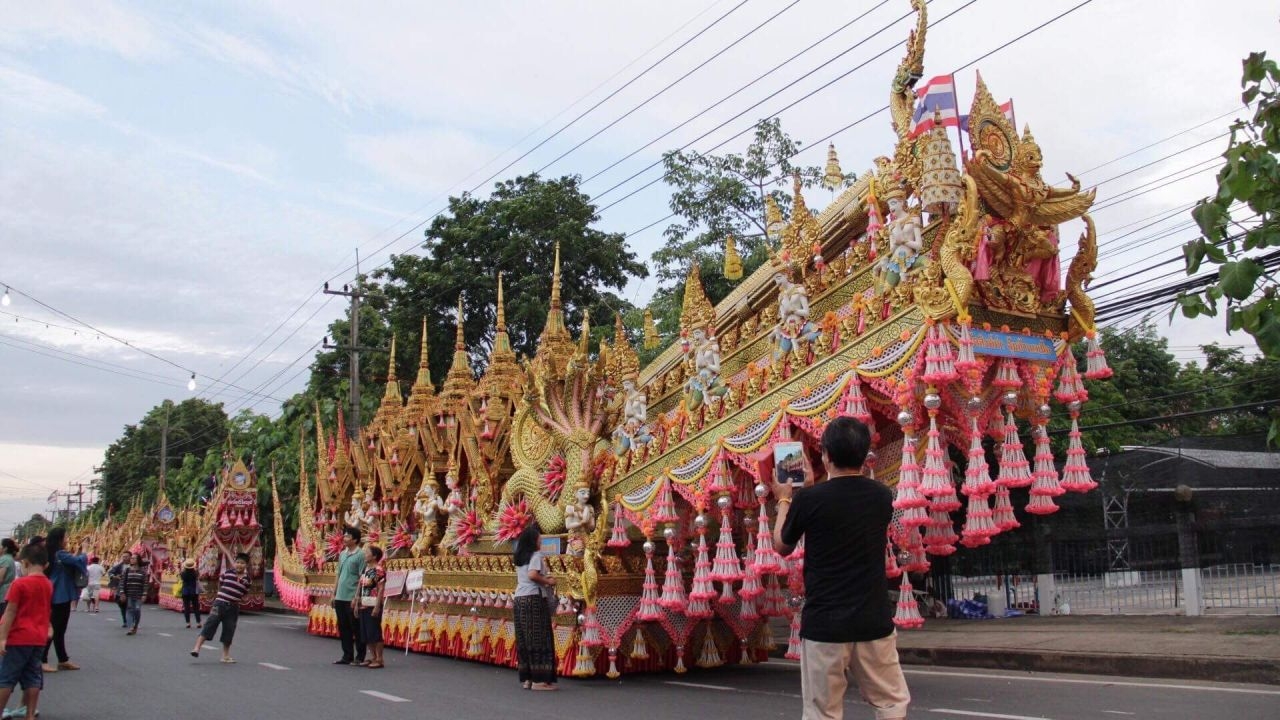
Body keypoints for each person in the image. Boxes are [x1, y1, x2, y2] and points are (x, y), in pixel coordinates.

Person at [773, 416, 911, 720]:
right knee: (891, 704)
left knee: (823, 712)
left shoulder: (808, 500)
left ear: (825, 455)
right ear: (864, 454)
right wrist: (809, 493)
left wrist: (785, 499)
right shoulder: (881, 496)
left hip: (825, 625)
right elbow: (842, 507)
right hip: (873, 620)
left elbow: (782, 545)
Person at [0, 545, 52, 720]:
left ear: (25, 563)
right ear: (46, 565)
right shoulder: (48, 584)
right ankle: (29, 714)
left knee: (6, 677)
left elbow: (10, 612)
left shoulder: (19, 583)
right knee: (33, 677)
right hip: (38, 637)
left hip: (18, 637)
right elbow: (46, 609)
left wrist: (2, 638)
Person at [511, 524, 557, 691]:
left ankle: (528, 678)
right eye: (539, 539)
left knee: (524, 638)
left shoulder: (520, 557)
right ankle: (539, 680)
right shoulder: (536, 555)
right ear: (533, 541)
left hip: (519, 599)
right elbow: (532, 574)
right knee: (539, 637)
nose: (541, 542)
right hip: (533, 598)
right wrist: (548, 581)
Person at [190, 553, 251, 664]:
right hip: (219, 604)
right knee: (210, 625)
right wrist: (221, 596)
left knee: (229, 630)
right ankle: (196, 648)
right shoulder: (227, 573)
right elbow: (221, 584)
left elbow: (244, 593)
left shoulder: (247, 580)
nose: (239, 565)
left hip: (233, 608)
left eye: (242, 563)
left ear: (246, 565)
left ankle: (225, 656)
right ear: (234, 563)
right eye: (237, 562)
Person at [40, 528, 85, 673]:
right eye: (65, 537)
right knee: (55, 628)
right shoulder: (60, 554)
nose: (67, 539)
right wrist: (84, 551)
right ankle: (42, 659)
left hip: (55, 592)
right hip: (61, 594)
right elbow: (79, 561)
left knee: (59, 629)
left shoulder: (50, 553)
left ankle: (62, 659)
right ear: (60, 539)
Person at [331, 526, 366, 666]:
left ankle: (360, 656)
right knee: (343, 627)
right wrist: (334, 593)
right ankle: (347, 655)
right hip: (340, 596)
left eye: (347, 536)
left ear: (355, 540)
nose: (344, 538)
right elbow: (338, 574)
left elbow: (362, 577)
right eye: (344, 536)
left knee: (356, 627)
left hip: (351, 596)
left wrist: (357, 597)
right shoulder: (342, 554)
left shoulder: (360, 555)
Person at [356, 545, 386, 669]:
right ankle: (373, 657)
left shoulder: (379, 570)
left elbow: (381, 589)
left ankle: (379, 658)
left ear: (374, 556)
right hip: (364, 603)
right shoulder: (366, 569)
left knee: (374, 632)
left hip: (373, 604)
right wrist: (356, 599)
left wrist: (377, 606)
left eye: (367, 552)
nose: (365, 554)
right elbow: (360, 585)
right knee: (366, 633)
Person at [120, 554, 147, 636]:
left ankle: (135, 625)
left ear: (138, 560)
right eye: (131, 558)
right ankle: (131, 627)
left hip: (138, 594)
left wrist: (144, 594)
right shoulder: (127, 570)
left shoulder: (143, 571)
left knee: (137, 609)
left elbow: (145, 584)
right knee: (130, 609)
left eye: (134, 558)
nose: (131, 559)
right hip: (129, 594)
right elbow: (122, 582)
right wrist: (122, 593)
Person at [106, 552, 130, 628]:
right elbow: (110, 572)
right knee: (122, 604)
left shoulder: (134, 566)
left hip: (131, 588)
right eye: (123, 557)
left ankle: (132, 621)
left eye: (126, 557)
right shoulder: (119, 566)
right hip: (121, 587)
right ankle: (125, 620)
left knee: (131, 605)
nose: (124, 558)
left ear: (130, 557)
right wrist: (115, 577)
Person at [179, 559, 202, 628]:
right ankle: (198, 622)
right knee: (196, 607)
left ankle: (188, 623)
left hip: (185, 591)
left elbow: (181, 578)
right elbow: (198, 577)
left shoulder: (183, 573)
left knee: (187, 607)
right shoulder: (195, 573)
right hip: (194, 591)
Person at [0, 540, 17, 617]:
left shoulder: (4, 559)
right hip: (8, 592)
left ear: (5, 548)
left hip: (2, 594)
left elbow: (0, 578)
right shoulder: (10, 558)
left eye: (1, 546)